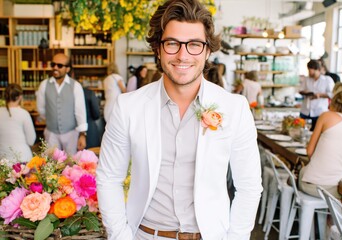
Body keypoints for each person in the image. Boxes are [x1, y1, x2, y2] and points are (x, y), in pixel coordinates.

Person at [96, 0, 262, 239]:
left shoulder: (234, 108)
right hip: (145, 234)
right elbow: (109, 177)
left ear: (207, 51)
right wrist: (120, 235)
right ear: (158, 48)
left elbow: (248, 186)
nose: (183, 55)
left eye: (194, 44)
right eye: (172, 43)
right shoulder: (128, 106)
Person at [299, 90, 342, 199]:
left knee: (301, 172)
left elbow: (309, 151)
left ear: (335, 102)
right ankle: (328, 215)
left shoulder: (326, 116)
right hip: (335, 189)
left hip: (312, 185)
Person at [36, 53, 88, 155]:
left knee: (71, 165)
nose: (55, 67)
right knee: (50, 165)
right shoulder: (44, 85)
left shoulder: (75, 86)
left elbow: (80, 112)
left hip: (71, 133)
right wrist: (52, 119)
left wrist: (82, 134)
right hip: (51, 134)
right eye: (53, 64)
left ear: (67, 69)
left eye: (59, 65)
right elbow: (41, 109)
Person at [0, 84, 36, 162]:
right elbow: (31, 140)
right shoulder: (23, 113)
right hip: (22, 158)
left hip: (3, 160)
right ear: (20, 97)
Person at [299, 59, 334, 131]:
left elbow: (332, 94)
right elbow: (300, 90)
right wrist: (305, 92)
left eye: (310, 70)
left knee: (316, 133)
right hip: (305, 111)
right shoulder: (307, 79)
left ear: (316, 69)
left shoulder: (327, 80)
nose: (308, 72)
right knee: (302, 131)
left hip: (319, 112)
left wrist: (319, 95)